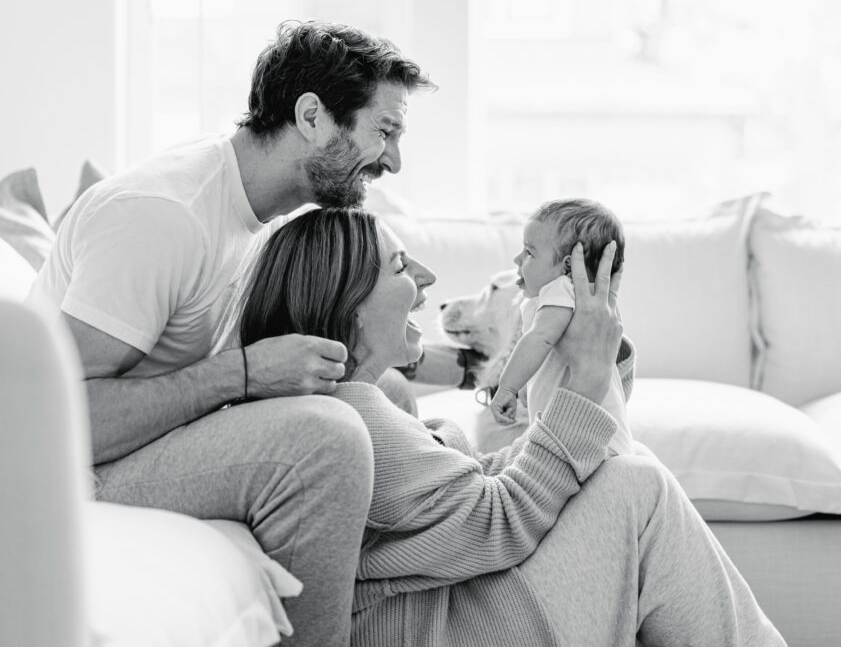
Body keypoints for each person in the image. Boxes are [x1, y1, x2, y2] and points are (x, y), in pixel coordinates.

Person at [28, 21, 435, 646]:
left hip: (146, 441)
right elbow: (60, 421)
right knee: (326, 439)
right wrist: (243, 374)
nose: (394, 161)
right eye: (384, 131)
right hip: (69, 471)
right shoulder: (163, 217)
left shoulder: (254, 212)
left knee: (385, 400)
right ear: (312, 116)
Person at [239, 207, 786, 646]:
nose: (429, 278)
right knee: (637, 487)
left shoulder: (359, 399)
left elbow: (471, 493)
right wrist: (588, 377)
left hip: (453, 601)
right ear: (350, 306)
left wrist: (590, 373)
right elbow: (498, 520)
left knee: (625, 467)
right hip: (445, 626)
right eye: (403, 267)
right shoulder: (351, 414)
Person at [490, 198, 634, 456]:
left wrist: (508, 386)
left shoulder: (562, 289)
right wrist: (527, 385)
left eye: (529, 252)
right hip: (600, 441)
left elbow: (540, 338)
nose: (517, 259)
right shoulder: (582, 300)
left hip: (591, 445)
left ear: (568, 266)